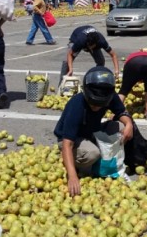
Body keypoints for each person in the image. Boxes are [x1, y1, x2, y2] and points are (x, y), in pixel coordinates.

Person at [54, 66, 134, 196]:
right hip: (72, 139)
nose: (96, 107)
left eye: (100, 105)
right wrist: (72, 176)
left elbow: (121, 112)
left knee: (122, 127)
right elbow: (67, 143)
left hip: (92, 131)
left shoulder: (109, 94)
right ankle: (77, 161)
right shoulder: (76, 106)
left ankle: (105, 156)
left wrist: (129, 123)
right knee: (93, 154)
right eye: (93, 104)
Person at [118, 48, 147, 120]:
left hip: (132, 62)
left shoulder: (134, 55)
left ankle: (116, 112)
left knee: (124, 89)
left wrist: (129, 88)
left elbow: (129, 79)